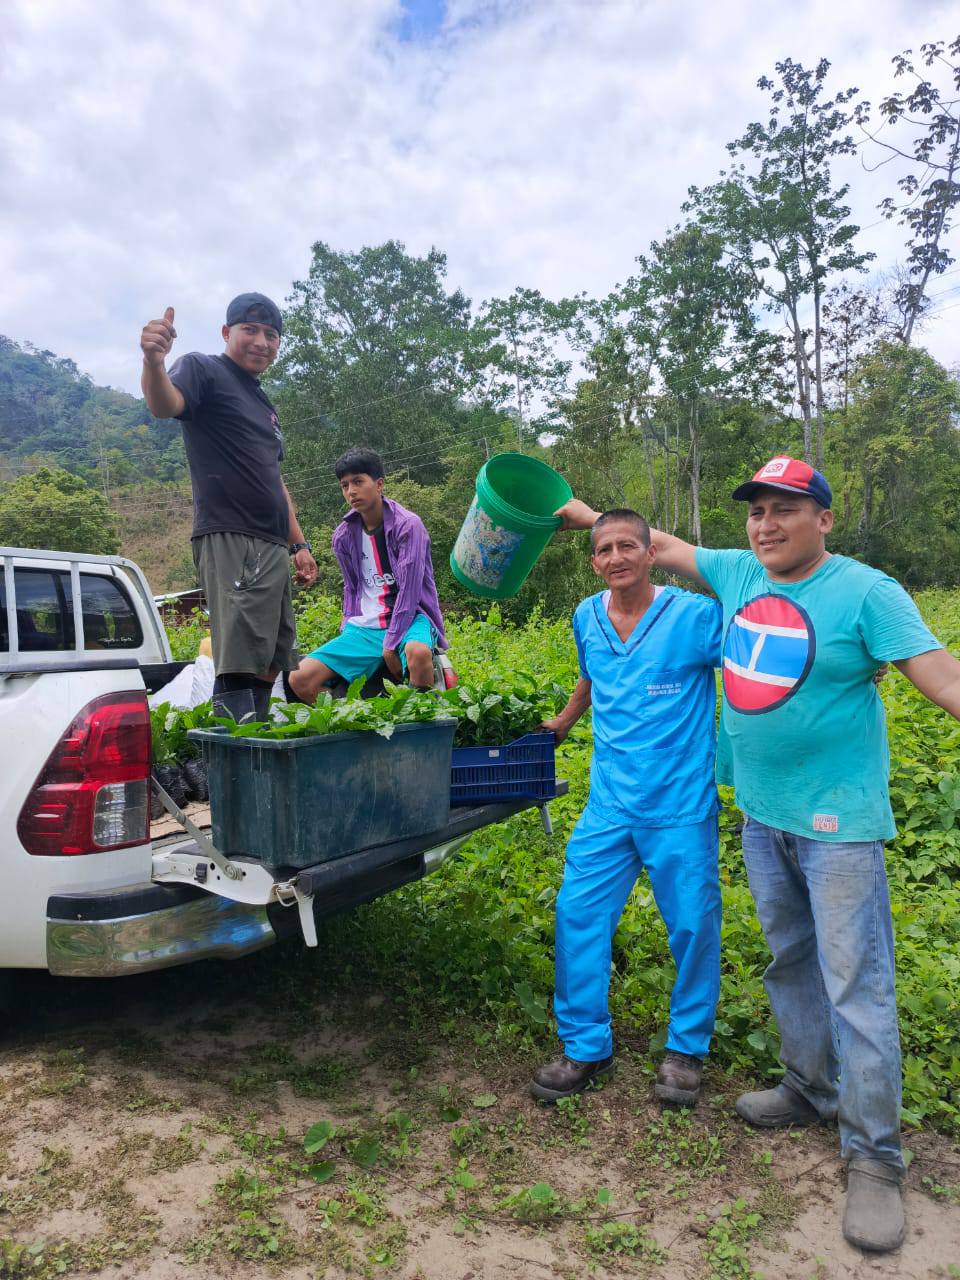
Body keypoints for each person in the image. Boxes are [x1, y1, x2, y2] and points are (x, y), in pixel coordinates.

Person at [557, 456, 960, 1254]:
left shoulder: (867, 591)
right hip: (762, 815)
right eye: (756, 511)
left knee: (857, 987)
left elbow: (944, 679)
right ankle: (808, 1088)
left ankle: (874, 1157)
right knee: (790, 962)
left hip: (838, 824)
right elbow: (645, 543)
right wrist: (569, 509)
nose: (767, 523)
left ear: (825, 519)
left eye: (786, 509)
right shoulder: (738, 572)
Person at [530, 509, 723, 1110]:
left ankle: (685, 1048)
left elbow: (757, 652)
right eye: (604, 549)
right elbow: (592, 677)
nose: (616, 557)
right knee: (578, 912)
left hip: (680, 802)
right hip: (610, 803)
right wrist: (565, 720)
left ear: (650, 553)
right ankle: (586, 1045)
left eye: (627, 547)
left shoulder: (694, 617)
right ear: (594, 562)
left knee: (692, 925)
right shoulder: (586, 616)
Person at [140, 293, 317, 721]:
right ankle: (236, 755)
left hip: (272, 543)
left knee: (271, 659)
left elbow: (274, 480)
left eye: (271, 335)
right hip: (233, 534)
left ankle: (256, 741)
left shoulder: (264, 405)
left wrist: (299, 545)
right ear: (226, 332)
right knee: (239, 660)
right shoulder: (204, 369)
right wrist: (153, 362)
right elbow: (165, 405)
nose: (261, 342)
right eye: (250, 330)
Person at [288, 448, 445, 702]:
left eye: (358, 482)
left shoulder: (408, 526)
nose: (351, 491)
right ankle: (356, 717)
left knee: (418, 653)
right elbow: (351, 589)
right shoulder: (343, 536)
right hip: (367, 626)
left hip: (412, 619)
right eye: (345, 485)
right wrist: (347, 630)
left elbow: (410, 592)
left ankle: (422, 716)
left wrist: (391, 644)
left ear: (379, 484)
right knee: (300, 678)